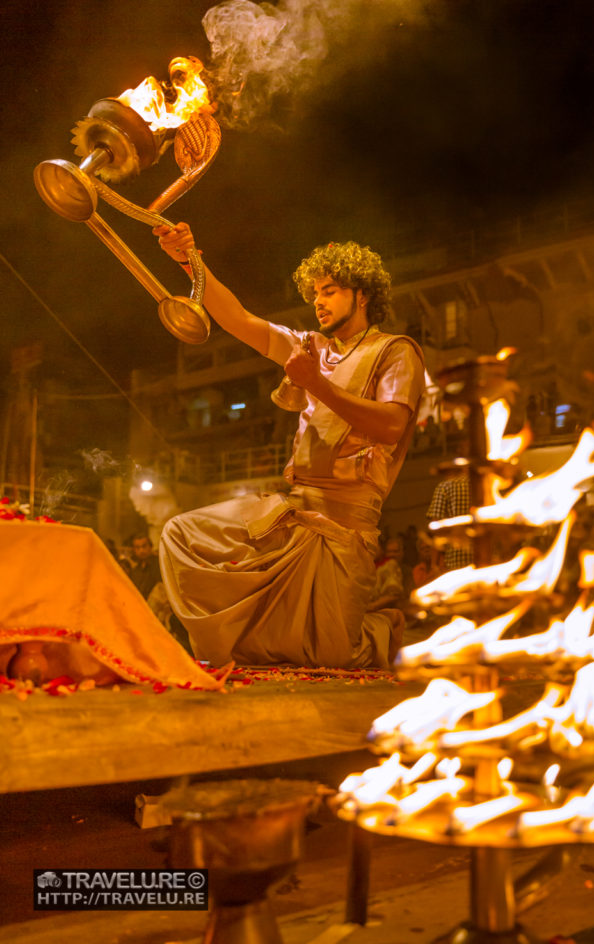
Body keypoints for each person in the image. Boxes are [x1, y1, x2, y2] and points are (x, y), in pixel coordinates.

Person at [153, 223, 425, 669]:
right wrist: (190, 262)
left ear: (362, 294)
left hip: (346, 525)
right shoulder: (308, 348)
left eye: (330, 290)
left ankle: (382, 626)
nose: (317, 301)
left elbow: (393, 426)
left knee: (331, 656)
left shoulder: (395, 351)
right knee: (180, 534)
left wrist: (317, 383)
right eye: (315, 291)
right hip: (291, 512)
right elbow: (239, 320)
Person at [426, 471, 473, 570]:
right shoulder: (490, 483)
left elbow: (436, 529)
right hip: (486, 558)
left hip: (456, 561)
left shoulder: (445, 487)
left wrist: (434, 565)